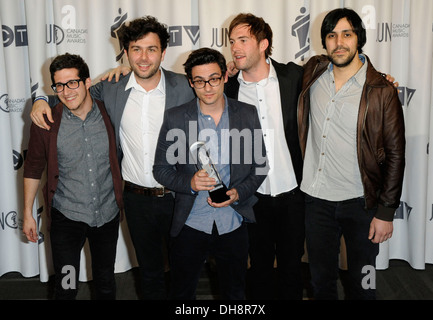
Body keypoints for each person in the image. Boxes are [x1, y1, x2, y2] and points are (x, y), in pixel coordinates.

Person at [29, 16, 195, 300]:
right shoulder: (112, 88)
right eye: (136, 49)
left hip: (180, 196)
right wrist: (41, 100)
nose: (143, 57)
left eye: (151, 49)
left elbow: (216, 94)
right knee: (150, 275)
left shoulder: (185, 87)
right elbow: (71, 92)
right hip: (136, 200)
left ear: (163, 53)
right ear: (126, 52)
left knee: (185, 273)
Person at [297, 8, 405, 299]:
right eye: (331, 35)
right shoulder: (313, 72)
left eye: (347, 34)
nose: (339, 42)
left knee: (364, 285)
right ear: (324, 41)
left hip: (361, 203)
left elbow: (396, 155)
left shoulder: (382, 90)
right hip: (316, 200)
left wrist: (386, 212)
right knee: (321, 283)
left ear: (359, 38)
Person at [153, 47, 268, 299]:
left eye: (214, 78)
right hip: (190, 222)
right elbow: (160, 169)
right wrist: (190, 182)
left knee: (234, 293)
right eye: (199, 81)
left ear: (225, 77)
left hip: (233, 221)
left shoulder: (246, 114)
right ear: (191, 82)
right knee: (182, 293)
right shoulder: (175, 118)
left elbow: (261, 167)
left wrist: (238, 193)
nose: (208, 87)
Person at [22, 53, 124, 299]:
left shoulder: (109, 110)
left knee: (105, 283)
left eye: (72, 83)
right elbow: (34, 167)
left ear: (87, 82)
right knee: (66, 286)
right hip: (67, 219)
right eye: (59, 85)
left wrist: (127, 66)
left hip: (107, 215)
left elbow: (140, 73)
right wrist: (27, 212)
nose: (66, 91)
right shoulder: (46, 121)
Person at [224, 13, 306, 300]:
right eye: (232, 41)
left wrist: (377, 74)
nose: (235, 47)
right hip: (251, 198)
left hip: (293, 196)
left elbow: (337, 72)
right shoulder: (227, 89)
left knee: (292, 271)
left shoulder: (293, 77)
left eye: (243, 40)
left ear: (263, 44)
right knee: (257, 272)